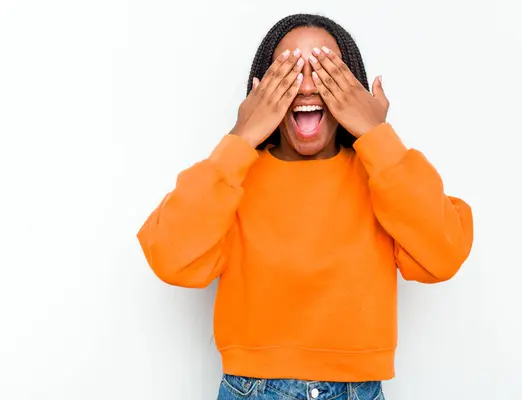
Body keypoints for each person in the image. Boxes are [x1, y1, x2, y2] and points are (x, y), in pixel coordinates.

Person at [137, 13, 474, 400]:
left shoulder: (383, 177)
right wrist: (241, 136)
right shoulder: (233, 179)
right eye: (291, 71)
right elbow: (169, 256)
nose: (310, 85)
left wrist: (377, 135)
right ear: (261, 89)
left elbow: (444, 254)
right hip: (252, 389)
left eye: (326, 69)